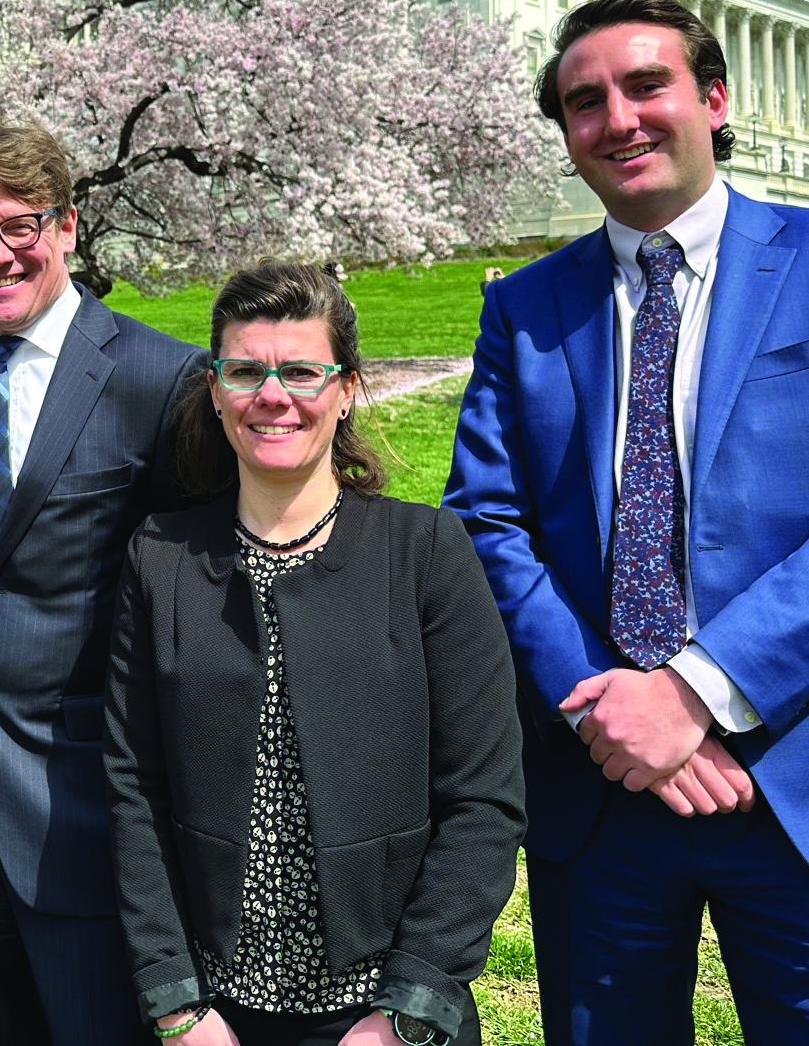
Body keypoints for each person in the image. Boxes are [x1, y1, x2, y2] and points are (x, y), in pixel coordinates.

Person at [446, 0, 809, 1043]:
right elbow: (485, 522)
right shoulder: (527, 305)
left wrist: (689, 695)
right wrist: (606, 710)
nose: (619, 118)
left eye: (648, 85)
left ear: (715, 98)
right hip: (603, 793)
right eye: (584, 102)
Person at [104, 262, 524, 1046]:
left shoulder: (426, 554)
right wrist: (176, 1005)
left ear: (347, 388)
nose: (273, 395)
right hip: (218, 1019)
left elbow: (486, 799)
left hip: (385, 1017)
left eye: (301, 370)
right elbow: (133, 789)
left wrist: (407, 1010)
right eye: (245, 371)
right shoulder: (160, 558)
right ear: (217, 391)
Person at [0, 115, 208, 1045]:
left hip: (94, 803)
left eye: (17, 226)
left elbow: (193, 606)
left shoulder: (159, 377)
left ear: (67, 227)